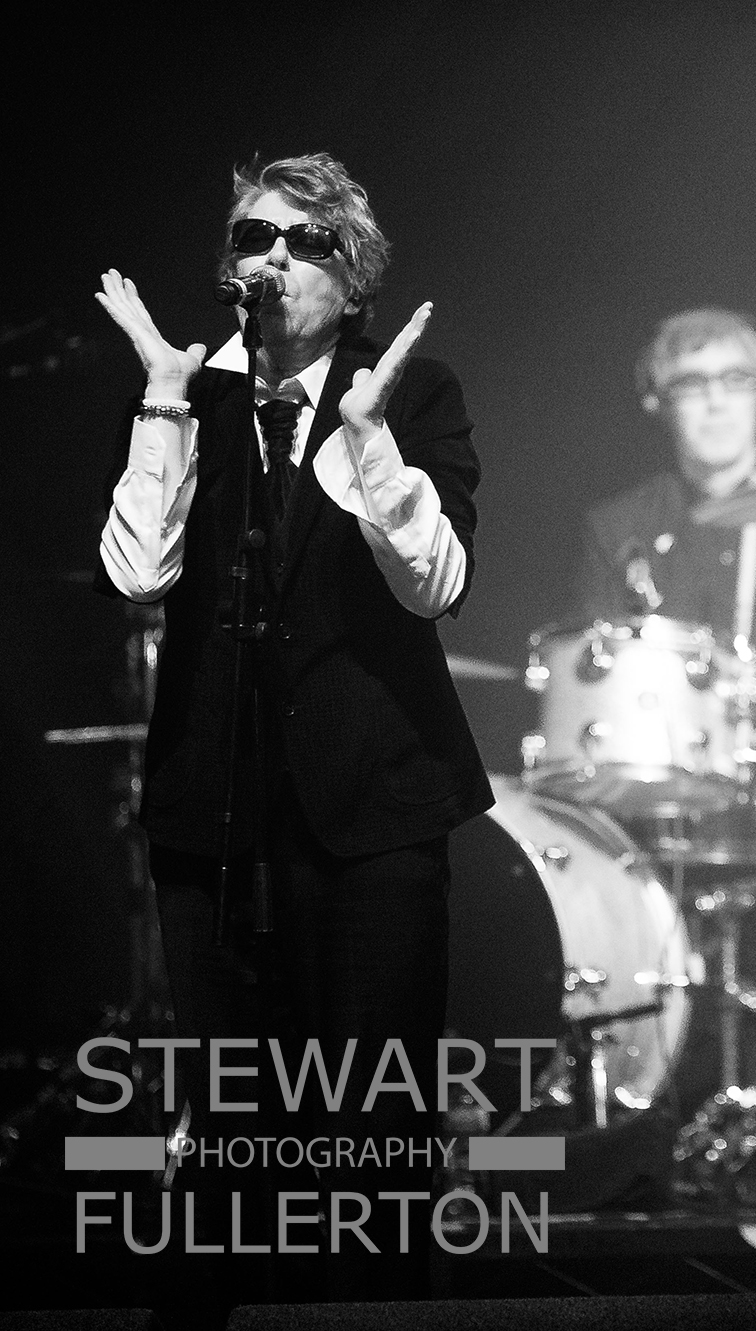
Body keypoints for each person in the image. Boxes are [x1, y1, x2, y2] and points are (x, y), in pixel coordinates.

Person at [95, 152, 490, 1301]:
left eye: (304, 241)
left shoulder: (410, 393)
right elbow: (138, 575)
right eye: (252, 237)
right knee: (231, 1133)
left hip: (373, 807)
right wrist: (164, 404)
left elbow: (437, 583)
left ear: (352, 278)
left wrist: (367, 440)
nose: (271, 256)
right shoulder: (188, 394)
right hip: (213, 806)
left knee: (371, 1129)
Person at [576, 308, 756, 713]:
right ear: (657, 402)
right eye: (691, 384)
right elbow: (596, 676)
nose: (716, 402)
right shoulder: (619, 528)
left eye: (737, 380)